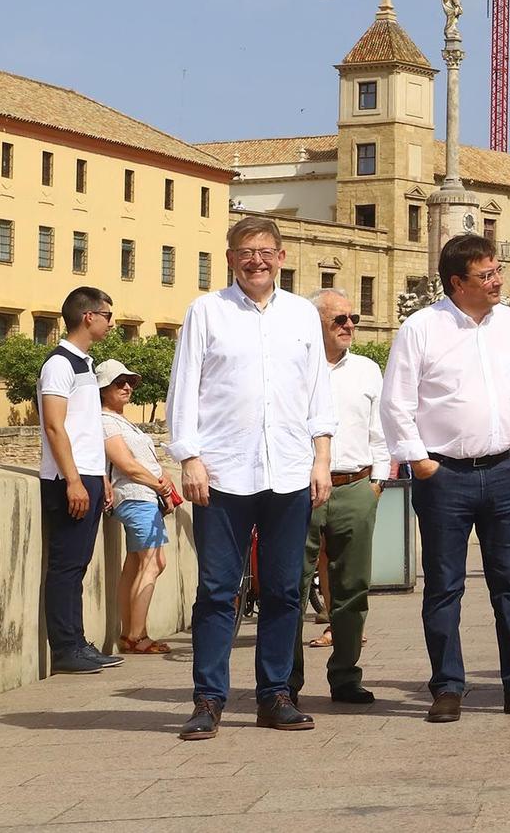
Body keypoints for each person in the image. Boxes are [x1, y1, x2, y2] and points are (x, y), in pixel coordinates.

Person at [168, 218, 335, 739]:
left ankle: (275, 695)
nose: (256, 261)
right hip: (221, 473)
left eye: (265, 252)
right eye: (246, 252)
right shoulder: (206, 312)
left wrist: (322, 458)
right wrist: (189, 459)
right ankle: (208, 699)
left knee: (286, 589)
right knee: (218, 590)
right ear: (230, 258)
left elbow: (317, 392)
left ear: (282, 257)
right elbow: (184, 388)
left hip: (288, 470)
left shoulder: (303, 317)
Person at [380, 233, 510, 724]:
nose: (497, 281)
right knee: (444, 586)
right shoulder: (421, 328)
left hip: (503, 470)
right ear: (457, 282)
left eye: (498, 271)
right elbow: (397, 401)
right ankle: (448, 687)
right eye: (487, 275)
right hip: (444, 475)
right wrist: (420, 461)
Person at [288, 290, 387, 706]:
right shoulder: (292, 369)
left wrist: (377, 482)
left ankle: (346, 676)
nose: (349, 326)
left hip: (354, 486)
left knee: (352, 588)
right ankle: (285, 682)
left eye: (354, 318)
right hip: (299, 492)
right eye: (339, 320)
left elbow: (380, 430)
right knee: (289, 587)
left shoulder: (366, 370)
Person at [39, 286, 120, 676]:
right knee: (66, 567)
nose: (111, 322)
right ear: (88, 316)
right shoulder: (59, 364)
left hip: (88, 475)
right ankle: (65, 648)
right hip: (66, 478)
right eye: (107, 315)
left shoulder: (85, 364)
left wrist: (100, 476)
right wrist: (73, 480)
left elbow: (86, 428)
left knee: (79, 565)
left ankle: (78, 642)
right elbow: (55, 427)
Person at [98, 359, 173, 656]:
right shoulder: (105, 421)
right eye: (119, 382)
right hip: (135, 497)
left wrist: (161, 478)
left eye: (129, 381)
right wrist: (159, 485)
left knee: (135, 563)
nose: (127, 386)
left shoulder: (121, 420)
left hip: (142, 496)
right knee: (155, 562)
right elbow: (126, 464)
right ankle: (136, 635)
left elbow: (142, 462)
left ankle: (128, 634)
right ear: (103, 389)